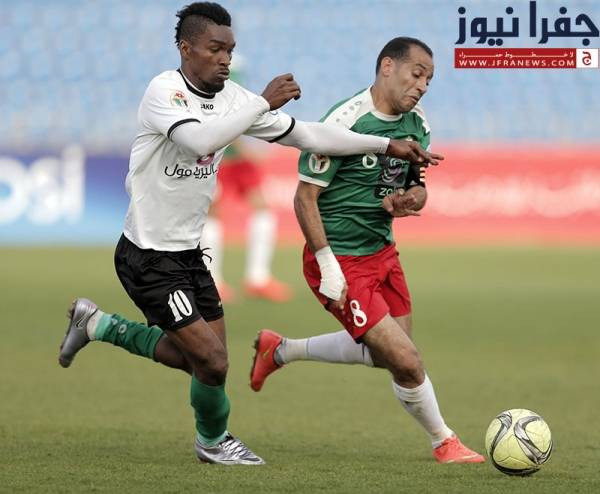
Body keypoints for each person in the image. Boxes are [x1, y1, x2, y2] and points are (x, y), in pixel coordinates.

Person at [58, 3, 440, 466]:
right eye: (214, 49)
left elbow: (310, 136)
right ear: (185, 49)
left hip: (189, 254)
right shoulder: (164, 91)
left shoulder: (234, 99)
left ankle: (98, 324)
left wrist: (385, 144)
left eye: (230, 50)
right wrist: (262, 102)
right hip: (148, 254)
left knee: (201, 361)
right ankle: (213, 442)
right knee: (213, 363)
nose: (225, 58)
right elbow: (199, 141)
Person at [250, 37, 485, 464]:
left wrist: (410, 198)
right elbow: (304, 199)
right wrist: (328, 266)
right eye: (417, 74)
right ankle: (444, 441)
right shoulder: (345, 121)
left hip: (382, 252)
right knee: (406, 361)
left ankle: (280, 349)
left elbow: (418, 186)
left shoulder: (417, 123)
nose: (422, 86)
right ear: (387, 67)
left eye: (429, 80)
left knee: (386, 355)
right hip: (339, 258)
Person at [202, 54, 292, 303]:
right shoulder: (208, 92)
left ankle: (258, 278)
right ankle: (212, 281)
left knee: (262, 207)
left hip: (237, 160)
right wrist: (248, 151)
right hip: (215, 159)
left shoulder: (233, 92)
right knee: (212, 213)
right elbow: (221, 126)